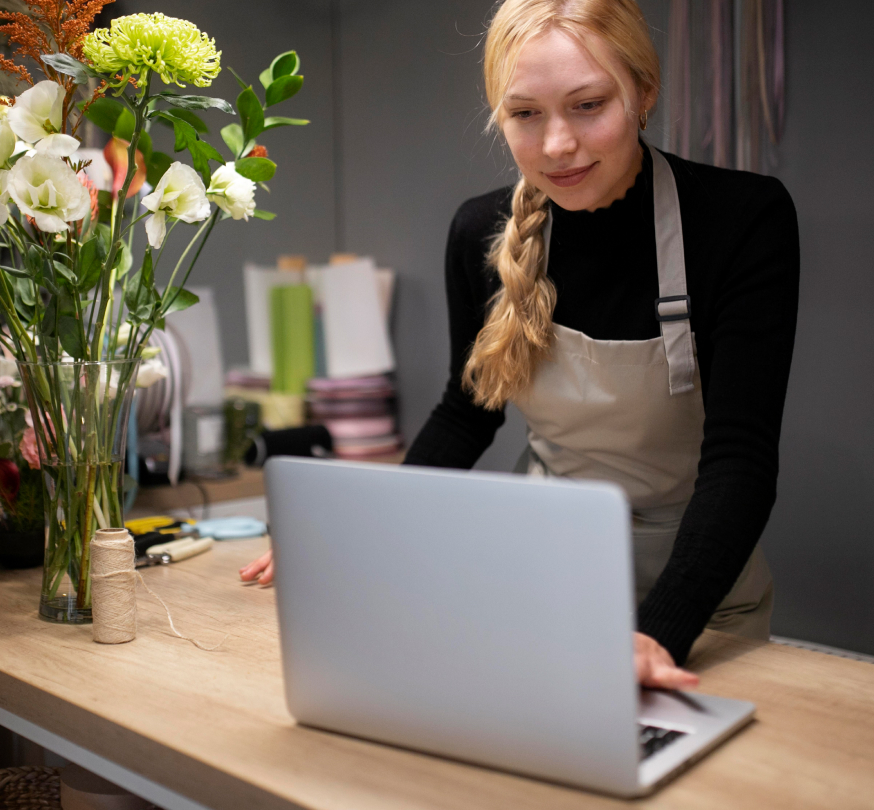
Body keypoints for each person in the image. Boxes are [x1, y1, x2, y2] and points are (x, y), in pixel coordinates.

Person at [241, 0, 798, 690]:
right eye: (525, 114)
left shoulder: (740, 220)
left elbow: (740, 461)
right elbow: (466, 412)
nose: (557, 144)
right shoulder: (480, 228)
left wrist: (659, 632)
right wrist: (356, 531)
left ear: (643, 93)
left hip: (699, 600)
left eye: (588, 105)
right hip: (541, 580)